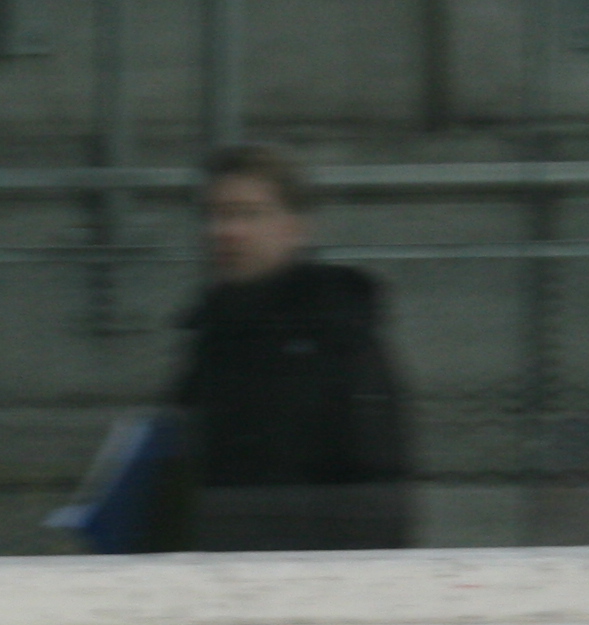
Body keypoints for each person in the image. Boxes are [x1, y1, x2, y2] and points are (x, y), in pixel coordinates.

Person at [149, 143, 415, 552]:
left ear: (294, 228)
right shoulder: (210, 336)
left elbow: (376, 484)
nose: (225, 231)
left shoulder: (337, 334)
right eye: (215, 215)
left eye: (248, 214)